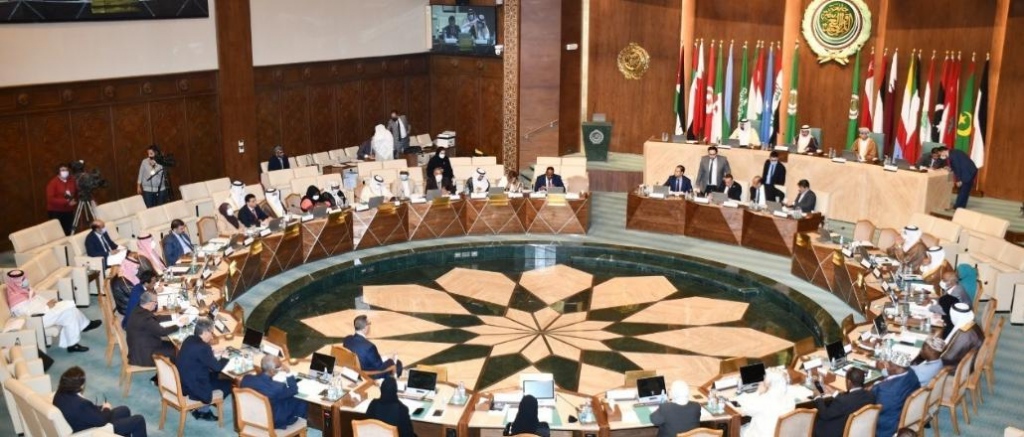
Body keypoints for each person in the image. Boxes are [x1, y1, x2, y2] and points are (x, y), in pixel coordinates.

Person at [4, 270, 99, 353]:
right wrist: (47, 307)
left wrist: (48, 303)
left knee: (70, 312)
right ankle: (85, 325)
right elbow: (28, 314)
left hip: (45, 312)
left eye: (24, 278)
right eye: (22, 279)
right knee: (69, 308)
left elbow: (38, 300)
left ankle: (73, 344)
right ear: (15, 283)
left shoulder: (25, 290)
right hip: (37, 319)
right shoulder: (15, 299)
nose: (25, 280)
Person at [53, 367, 147, 437]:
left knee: (124, 410)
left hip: (80, 423)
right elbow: (102, 421)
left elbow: (86, 412)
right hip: (93, 431)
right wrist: (106, 408)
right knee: (138, 420)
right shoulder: (81, 404)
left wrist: (100, 407)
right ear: (80, 386)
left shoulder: (59, 394)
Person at [177, 317, 231, 421]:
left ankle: (204, 407)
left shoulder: (189, 339)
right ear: (205, 332)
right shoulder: (203, 347)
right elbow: (217, 367)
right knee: (229, 383)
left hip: (184, 381)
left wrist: (212, 352)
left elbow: (199, 355)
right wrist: (225, 356)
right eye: (211, 333)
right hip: (195, 387)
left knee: (214, 375)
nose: (212, 336)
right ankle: (203, 410)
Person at [240, 355, 307, 429]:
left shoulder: (246, 379)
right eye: (279, 366)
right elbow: (294, 389)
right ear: (272, 371)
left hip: (252, 417)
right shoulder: (277, 388)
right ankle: (298, 423)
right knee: (300, 399)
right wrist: (288, 372)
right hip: (273, 421)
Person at [811, 367, 875, 437]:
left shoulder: (842, 402)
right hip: (859, 432)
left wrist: (817, 398)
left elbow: (825, 414)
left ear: (849, 382)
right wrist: (833, 392)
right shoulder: (870, 396)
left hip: (838, 433)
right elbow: (850, 399)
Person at [127, 291, 181, 368]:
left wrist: (173, 317)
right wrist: (179, 325)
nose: (156, 304)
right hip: (145, 355)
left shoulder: (138, 309)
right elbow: (162, 332)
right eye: (155, 302)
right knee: (178, 352)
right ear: (150, 303)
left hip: (142, 347)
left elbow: (155, 318)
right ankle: (170, 373)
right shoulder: (145, 318)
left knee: (174, 345)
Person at [873, 353, 921, 437]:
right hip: (902, 413)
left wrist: (873, 387)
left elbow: (876, 407)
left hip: (886, 426)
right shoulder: (911, 373)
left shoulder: (886, 390)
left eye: (889, 364)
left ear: (898, 368)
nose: (886, 366)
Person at [737, 371, 795, 437]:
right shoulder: (790, 400)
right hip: (782, 434)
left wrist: (759, 392)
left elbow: (743, 410)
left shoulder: (763, 401)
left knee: (736, 430)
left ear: (768, 385)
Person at [941, 303, 984, 369]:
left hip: (959, 368)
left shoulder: (963, 334)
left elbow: (948, 357)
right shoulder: (970, 323)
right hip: (969, 361)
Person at [931, 270, 971, 338]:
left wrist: (929, 306)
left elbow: (946, 310)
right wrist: (935, 300)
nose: (942, 281)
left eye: (944, 280)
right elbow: (945, 301)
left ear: (952, 282)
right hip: (952, 314)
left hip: (958, 321)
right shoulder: (953, 287)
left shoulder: (956, 293)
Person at [46, 163, 78, 236]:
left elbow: (76, 192)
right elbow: (50, 199)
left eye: (66, 170)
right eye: (62, 170)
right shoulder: (53, 183)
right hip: (56, 211)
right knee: (58, 233)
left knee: (69, 231)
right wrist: (66, 201)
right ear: (58, 172)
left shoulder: (72, 180)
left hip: (69, 211)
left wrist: (74, 200)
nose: (65, 171)